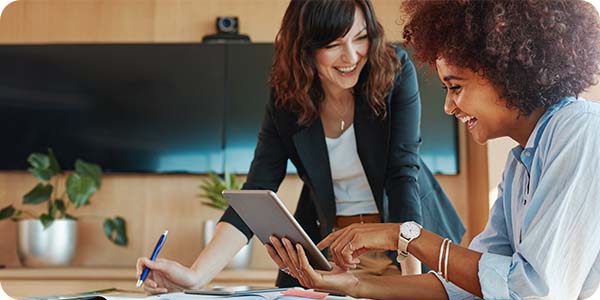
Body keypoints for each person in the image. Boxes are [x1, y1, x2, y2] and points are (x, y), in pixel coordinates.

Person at [266, 0, 600, 299]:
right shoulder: (519, 164)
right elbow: (468, 286)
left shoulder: (579, 129)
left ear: (508, 73)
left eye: (455, 87)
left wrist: (404, 235)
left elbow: (531, 291)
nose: (448, 106)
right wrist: (350, 286)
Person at [136, 0, 465, 294]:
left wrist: (412, 281)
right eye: (334, 44)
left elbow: (401, 172)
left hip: (406, 242)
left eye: (360, 37)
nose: (351, 56)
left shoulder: (393, 70)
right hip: (336, 253)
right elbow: (257, 190)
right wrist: (195, 276)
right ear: (306, 48)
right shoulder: (288, 98)